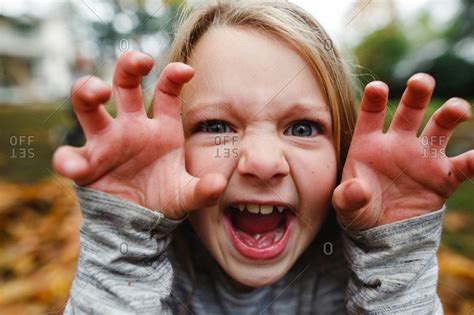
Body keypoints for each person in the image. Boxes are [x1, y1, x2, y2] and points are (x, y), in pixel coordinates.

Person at [52, 1, 473, 314]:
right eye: (216, 126)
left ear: (342, 155)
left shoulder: (367, 281)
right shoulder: (140, 279)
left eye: (303, 128)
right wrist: (124, 240)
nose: (262, 162)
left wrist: (396, 258)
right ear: (171, 150)